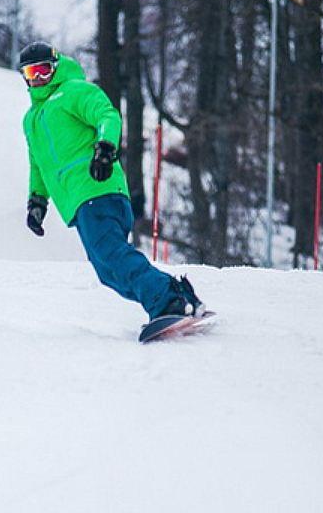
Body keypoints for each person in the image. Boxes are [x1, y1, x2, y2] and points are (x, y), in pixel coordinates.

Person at [18, 41, 204, 322]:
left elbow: (107, 115)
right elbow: (38, 164)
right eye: (32, 73)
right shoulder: (31, 119)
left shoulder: (74, 91)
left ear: (56, 68)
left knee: (111, 256)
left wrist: (105, 149)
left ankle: (167, 302)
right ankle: (179, 297)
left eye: (44, 70)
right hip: (79, 202)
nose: (40, 79)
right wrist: (37, 201)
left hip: (97, 186)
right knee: (108, 270)